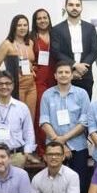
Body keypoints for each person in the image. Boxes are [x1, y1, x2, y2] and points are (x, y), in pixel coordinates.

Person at [38, 62, 92, 193]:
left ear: (72, 75)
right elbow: (44, 121)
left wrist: (64, 139)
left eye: (67, 72)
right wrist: (59, 142)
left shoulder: (81, 94)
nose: (63, 75)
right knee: (53, 183)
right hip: (53, 148)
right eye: (60, 72)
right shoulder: (47, 95)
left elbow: (84, 121)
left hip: (78, 146)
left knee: (79, 182)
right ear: (55, 76)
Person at [49, 0, 97, 98]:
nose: (74, 7)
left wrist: (83, 68)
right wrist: (75, 66)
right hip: (65, 75)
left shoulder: (90, 28)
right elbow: (56, 52)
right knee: (65, 107)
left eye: (77, 5)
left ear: (81, 7)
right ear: (66, 7)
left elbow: (94, 51)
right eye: (71, 5)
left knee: (85, 109)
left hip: (86, 75)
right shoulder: (57, 29)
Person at [0, 14, 37, 119]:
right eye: (19, 25)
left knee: (30, 119)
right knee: (16, 118)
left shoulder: (30, 43)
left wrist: (32, 68)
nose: (22, 28)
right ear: (14, 27)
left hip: (31, 86)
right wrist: (5, 83)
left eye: (25, 25)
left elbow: (30, 62)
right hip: (17, 86)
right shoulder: (7, 44)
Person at [30, 8, 56, 153]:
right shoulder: (31, 37)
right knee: (41, 113)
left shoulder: (56, 34)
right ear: (35, 21)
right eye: (39, 18)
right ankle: (41, 148)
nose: (42, 20)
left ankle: (55, 145)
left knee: (54, 112)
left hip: (56, 78)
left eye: (45, 17)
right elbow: (25, 55)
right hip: (39, 79)